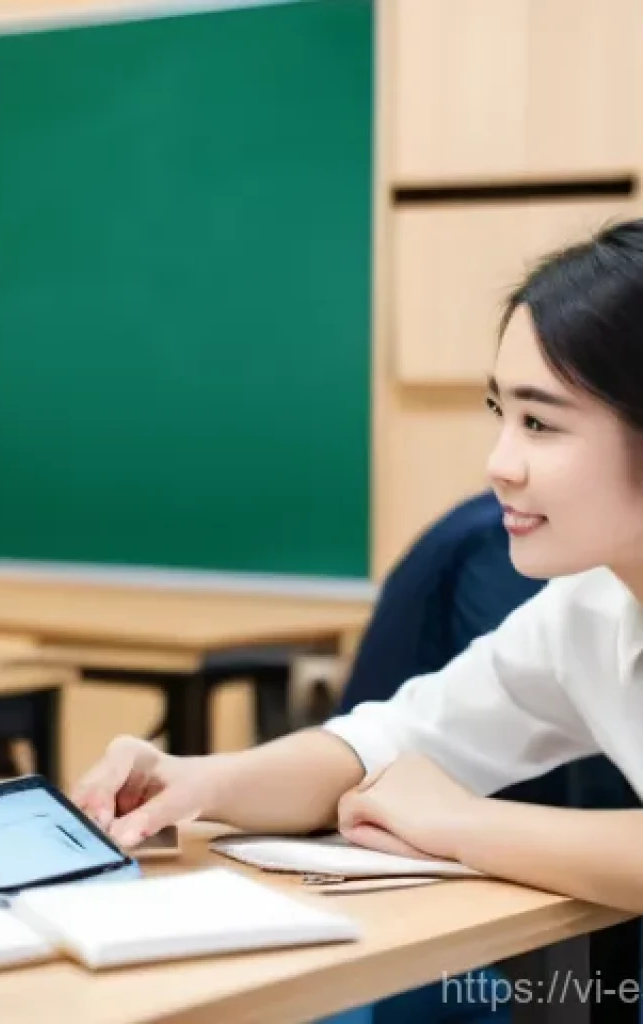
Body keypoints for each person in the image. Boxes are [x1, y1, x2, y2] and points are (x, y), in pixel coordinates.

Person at [73, 217, 643, 914]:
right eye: (502, 413)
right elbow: (386, 743)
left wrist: (461, 823)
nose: (499, 466)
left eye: (541, 424)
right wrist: (201, 781)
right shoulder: (589, 609)